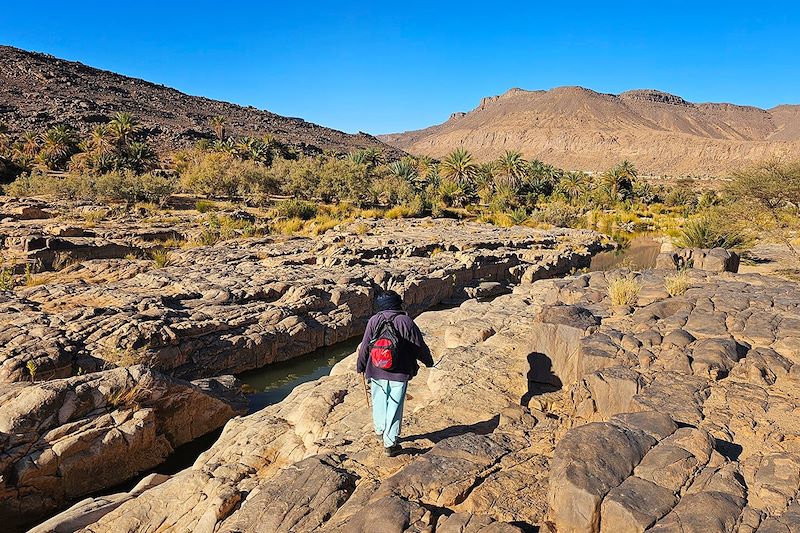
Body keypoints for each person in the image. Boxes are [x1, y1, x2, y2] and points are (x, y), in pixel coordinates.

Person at [357, 290, 433, 457]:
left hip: (376, 369)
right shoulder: (405, 321)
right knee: (394, 405)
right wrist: (429, 362)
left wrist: (361, 366)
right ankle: (390, 443)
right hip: (400, 371)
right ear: (397, 303)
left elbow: (364, 346)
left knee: (379, 400)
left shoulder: (374, 320)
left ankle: (380, 430)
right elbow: (418, 345)